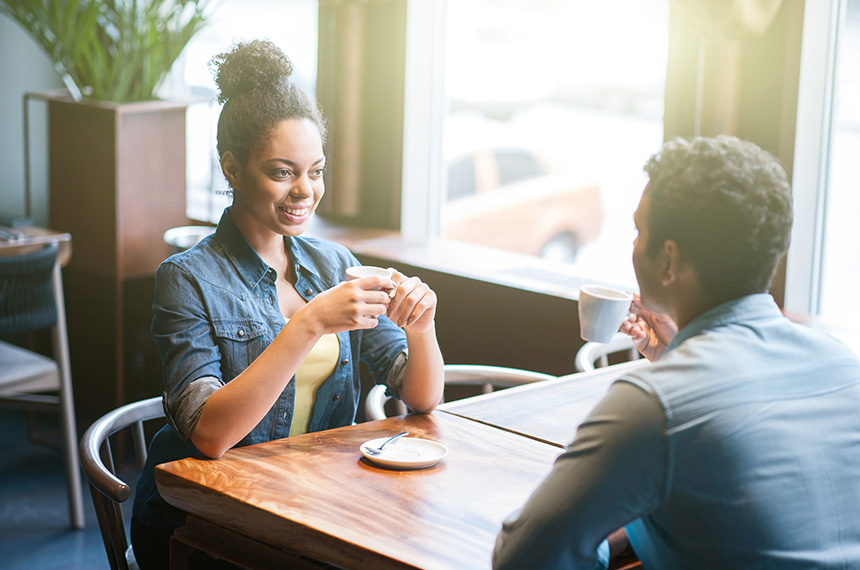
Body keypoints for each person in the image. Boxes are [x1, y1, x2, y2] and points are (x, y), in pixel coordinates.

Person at [130, 39, 445, 570]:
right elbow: (210, 433)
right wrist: (310, 322)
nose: (305, 190)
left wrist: (421, 327)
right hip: (200, 516)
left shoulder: (334, 262)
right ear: (232, 169)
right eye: (282, 172)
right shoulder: (186, 278)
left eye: (315, 171)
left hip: (310, 501)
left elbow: (421, 398)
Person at [493, 135, 860, 569]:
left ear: (668, 260)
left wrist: (604, 540)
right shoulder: (843, 366)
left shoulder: (654, 404)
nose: (632, 245)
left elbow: (525, 559)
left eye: (638, 231)